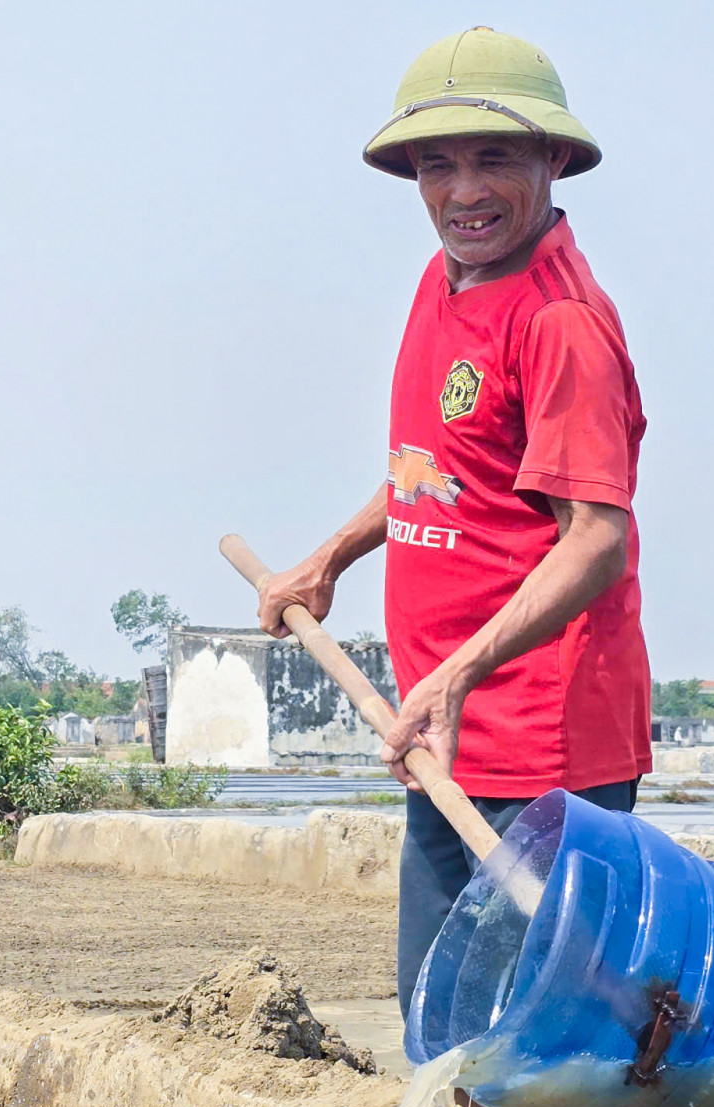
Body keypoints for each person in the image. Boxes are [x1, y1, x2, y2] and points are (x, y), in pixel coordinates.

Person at [255, 27, 650, 1018]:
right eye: (437, 166)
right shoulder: (445, 282)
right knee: (437, 1012)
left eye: (492, 160)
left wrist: (461, 671)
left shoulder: (558, 319)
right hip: (440, 732)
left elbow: (594, 535)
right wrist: (327, 558)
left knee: (535, 1030)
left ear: (552, 161)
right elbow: (431, 475)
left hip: (542, 747)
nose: (462, 192)